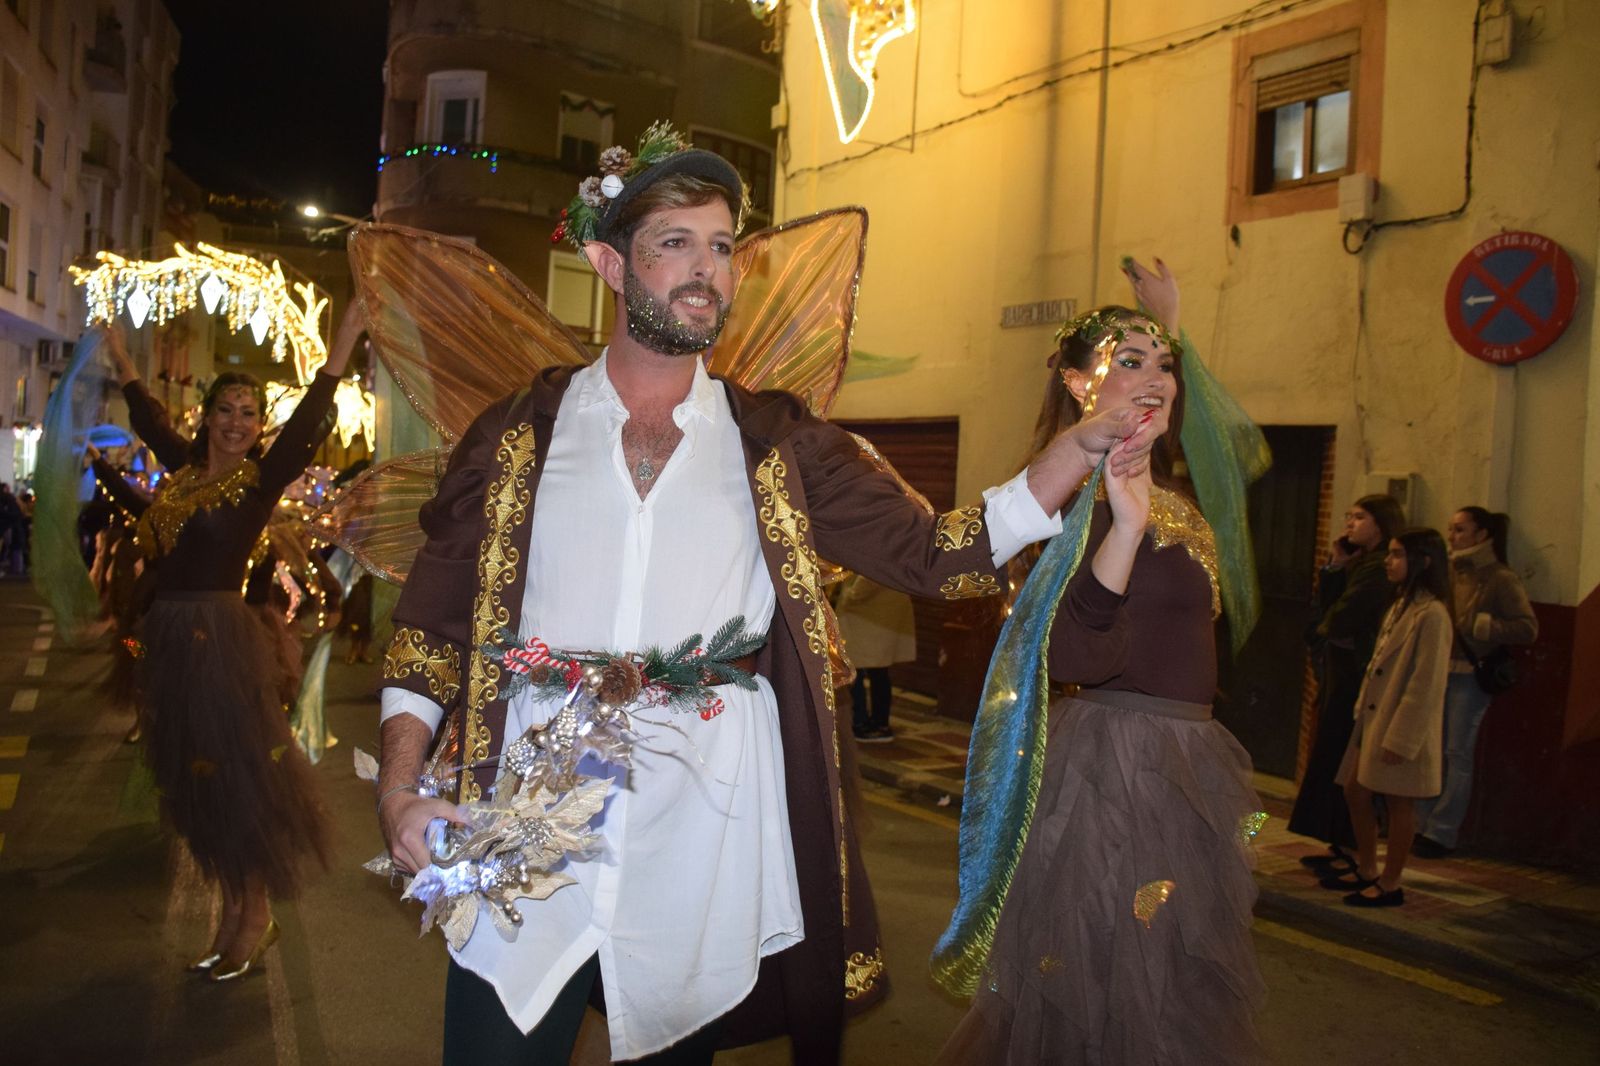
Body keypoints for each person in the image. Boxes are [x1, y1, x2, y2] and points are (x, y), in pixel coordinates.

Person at [372, 127, 1163, 1066]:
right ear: (607, 263)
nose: (705, 269)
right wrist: (397, 789)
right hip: (530, 811)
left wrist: (1073, 452)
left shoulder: (777, 443)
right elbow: (430, 630)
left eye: (720, 248)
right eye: (674, 243)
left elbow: (938, 553)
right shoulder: (517, 437)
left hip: (701, 834)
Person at [934, 264, 1267, 1064]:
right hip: (1114, 776)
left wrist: (1170, 325)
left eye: (1165, 367)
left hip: (1188, 772)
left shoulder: (1176, 497)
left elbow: (1218, 439)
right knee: (1100, 991)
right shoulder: (1063, 494)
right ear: (1081, 382)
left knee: (1170, 992)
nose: (1154, 381)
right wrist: (1120, 530)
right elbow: (1076, 654)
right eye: (1129, 361)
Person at [105, 309, 360, 980]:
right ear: (208, 415)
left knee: (239, 789)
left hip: (222, 649)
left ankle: (253, 914)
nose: (237, 421)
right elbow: (152, 422)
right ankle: (232, 913)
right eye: (227, 409)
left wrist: (342, 344)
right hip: (171, 649)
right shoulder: (186, 473)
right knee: (196, 792)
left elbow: (305, 431)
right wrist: (126, 367)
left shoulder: (256, 483)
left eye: (249, 412)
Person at [1328, 528, 1453, 906]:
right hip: (1374, 719)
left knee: (1400, 804)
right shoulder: (1402, 603)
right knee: (1355, 790)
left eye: (1398, 555)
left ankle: (1390, 882)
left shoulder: (1432, 615)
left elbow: (1425, 685)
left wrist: (1400, 739)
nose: (1389, 560)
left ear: (1423, 562)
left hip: (1400, 726)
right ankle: (1368, 867)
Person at [1289, 493, 1406, 873]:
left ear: (1380, 523)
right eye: (1349, 515)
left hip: (1356, 673)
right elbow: (1329, 609)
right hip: (1342, 668)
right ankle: (1339, 841)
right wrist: (1337, 566)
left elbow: (1340, 618)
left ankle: (1353, 847)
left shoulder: (1375, 569)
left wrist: (1330, 622)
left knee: (1344, 755)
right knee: (1334, 756)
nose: (1350, 524)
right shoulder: (1362, 563)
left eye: (1359, 517)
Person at [1413, 507, 1537, 858]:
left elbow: (1527, 628)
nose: (1452, 536)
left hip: (1470, 676)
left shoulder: (1499, 577)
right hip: (1438, 671)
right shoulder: (1447, 572)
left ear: (1482, 535)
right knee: (1430, 749)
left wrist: (1486, 627)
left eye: (1460, 529)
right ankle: (1419, 823)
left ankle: (1442, 831)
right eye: (1450, 529)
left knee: (1457, 752)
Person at [834, 573, 917, 742]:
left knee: (853, 669)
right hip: (879, 617)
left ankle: (861, 723)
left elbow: (866, 580)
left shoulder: (876, 550)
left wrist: (848, 594)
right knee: (878, 672)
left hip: (865, 617)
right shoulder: (897, 549)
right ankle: (879, 723)